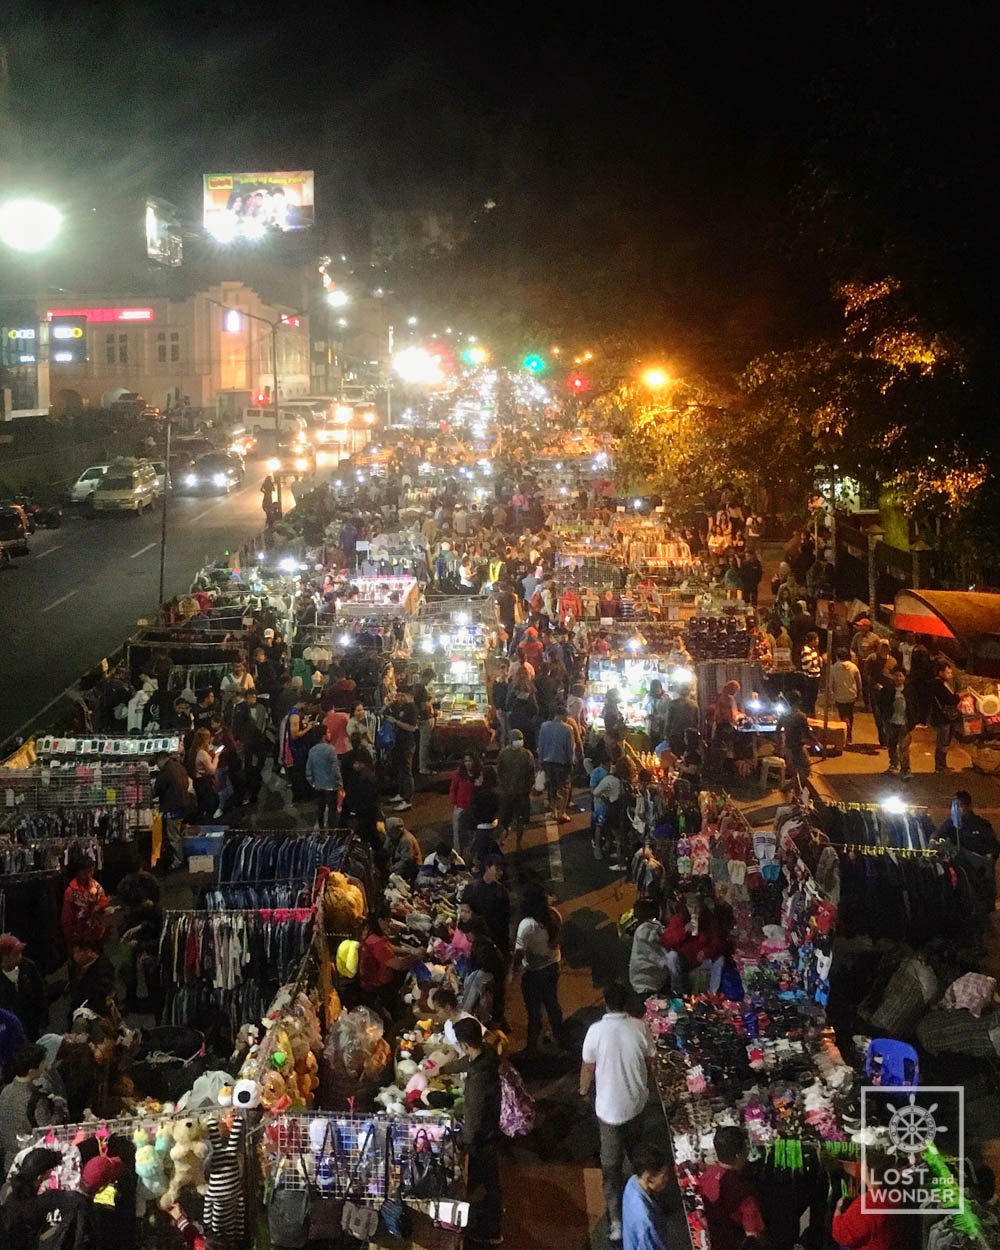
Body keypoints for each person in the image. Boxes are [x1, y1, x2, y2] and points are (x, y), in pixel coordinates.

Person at [580, 983, 653, 1244]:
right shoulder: (640, 1027)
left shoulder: (595, 1032)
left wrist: (582, 1092)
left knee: (610, 1170)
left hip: (608, 1112)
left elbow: (588, 1067)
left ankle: (616, 1222)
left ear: (605, 1003)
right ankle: (645, 1202)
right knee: (637, 1156)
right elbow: (648, 1060)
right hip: (636, 1106)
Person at [452, 1017, 503, 1248]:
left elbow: (473, 1117)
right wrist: (443, 1069)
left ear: (464, 1045)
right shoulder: (487, 1054)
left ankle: (489, 1231)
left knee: (483, 1184)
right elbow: (467, 1062)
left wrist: (462, 1142)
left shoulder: (478, 1081)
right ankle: (490, 1222)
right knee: (489, 1183)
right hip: (490, 1131)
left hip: (482, 1139)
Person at [513, 881, 563, 1057]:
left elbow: (519, 953)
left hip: (534, 972)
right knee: (552, 1003)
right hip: (552, 966)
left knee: (534, 1010)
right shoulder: (553, 915)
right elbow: (556, 941)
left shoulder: (527, 925)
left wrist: (514, 972)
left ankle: (532, 1046)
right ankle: (559, 1036)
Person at [698, 1126, 765, 1250]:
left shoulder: (706, 1176)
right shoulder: (743, 1192)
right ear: (739, 1155)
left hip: (714, 1241)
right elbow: (752, 1235)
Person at [0, 1045, 52, 1174]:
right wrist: (59, 1110)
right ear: (31, 1070)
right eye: (41, 1063)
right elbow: (47, 1129)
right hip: (31, 1162)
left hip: (9, 1160)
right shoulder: (35, 1099)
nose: (44, 1066)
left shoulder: (5, 1092)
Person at [359, 913, 420, 1012]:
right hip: (377, 987)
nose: (390, 924)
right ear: (380, 921)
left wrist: (411, 951)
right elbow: (399, 965)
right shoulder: (376, 943)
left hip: (378, 981)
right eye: (387, 921)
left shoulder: (374, 937)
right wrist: (417, 957)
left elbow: (391, 948)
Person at [621, 1139, 672, 1250]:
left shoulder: (632, 1182)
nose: (667, 1179)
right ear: (649, 1178)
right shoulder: (645, 1220)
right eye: (664, 1176)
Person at [628, 900, 681, 1001]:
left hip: (648, 982)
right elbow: (658, 957)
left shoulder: (648, 929)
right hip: (646, 984)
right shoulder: (645, 931)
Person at [0, 937, 46, 1042]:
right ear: (5, 957)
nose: (20, 957)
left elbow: (40, 992)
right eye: (16, 954)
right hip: (8, 1029)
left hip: (31, 1022)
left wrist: (43, 1018)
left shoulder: (28, 966)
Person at [496, 728, 535, 849]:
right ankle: (516, 842)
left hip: (511, 793)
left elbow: (499, 772)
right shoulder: (526, 754)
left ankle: (505, 840)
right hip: (519, 794)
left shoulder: (504, 754)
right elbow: (531, 774)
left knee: (507, 819)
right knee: (518, 820)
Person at [60, 856, 110, 950]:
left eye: (91, 871)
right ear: (78, 872)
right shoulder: (71, 892)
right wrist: (71, 938)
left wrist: (100, 906)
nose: (88, 875)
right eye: (85, 872)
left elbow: (103, 900)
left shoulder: (96, 885)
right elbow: (67, 917)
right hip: (79, 936)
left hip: (97, 932)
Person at [383, 687, 418, 810]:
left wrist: (396, 722)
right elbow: (385, 713)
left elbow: (412, 728)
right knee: (399, 769)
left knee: (406, 771)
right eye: (399, 695)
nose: (400, 698)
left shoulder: (412, 709)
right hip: (397, 743)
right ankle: (401, 794)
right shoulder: (399, 706)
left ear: (410, 696)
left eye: (403, 695)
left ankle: (407, 799)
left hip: (407, 744)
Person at [538, 706, 574, 823]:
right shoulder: (568, 729)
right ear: (563, 715)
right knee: (564, 788)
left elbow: (541, 745)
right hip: (562, 762)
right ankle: (562, 812)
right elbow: (569, 749)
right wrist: (570, 762)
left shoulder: (544, 726)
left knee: (551, 787)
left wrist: (540, 760)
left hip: (548, 762)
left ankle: (553, 811)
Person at [305, 730, 345, 830]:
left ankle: (321, 829)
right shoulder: (330, 749)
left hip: (318, 785)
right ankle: (331, 831)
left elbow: (308, 769)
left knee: (320, 808)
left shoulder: (312, 750)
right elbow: (335, 768)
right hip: (331, 786)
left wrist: (313, 783)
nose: (329, 734)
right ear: (323, 736)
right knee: (332, 810)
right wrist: (339, 782)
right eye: (328, 732)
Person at [776, 690, 816, 782]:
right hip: (798, 748)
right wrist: (817, 742)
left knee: (795, 772)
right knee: (805, 771)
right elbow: (807, 732)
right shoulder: (800, 716)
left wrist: (780, 743)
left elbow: (778, 730)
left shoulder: (784, 715)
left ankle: (792, 790)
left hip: (788, 747)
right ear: (798, 701)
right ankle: (787, 789)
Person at [930, 659, 961, 772]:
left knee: (945, 741)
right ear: (940, 673)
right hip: (942, 717)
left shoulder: (943, 683)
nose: (950, 675)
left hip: (944, 717)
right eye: (948, 672)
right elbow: (949, 699)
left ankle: (942, 765)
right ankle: (940, 766)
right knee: (942, 741)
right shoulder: (938, 684)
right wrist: (958, 697)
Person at [449, 751, 483, 851]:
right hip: (461, 807)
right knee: (457, 832)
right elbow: (453, 789)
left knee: (474, 831)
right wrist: (455, 802)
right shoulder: (459, 774)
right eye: (466, 761)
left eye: (470, 761)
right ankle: (458, 853)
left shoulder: (479, 774)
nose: (467, 763)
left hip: (474, 808)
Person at [830, 647, 863, 744]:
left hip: (839, 696)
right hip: (851, 695)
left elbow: (831, 683)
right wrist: (859, 692)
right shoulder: (853, 667)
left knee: (843, 716)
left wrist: (832, 693)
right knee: (850, 715)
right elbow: (858, 681)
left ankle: (844, 735)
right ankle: (849, 736)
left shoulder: (834, 668)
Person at [412, 665, 438, 775]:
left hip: (422, 718)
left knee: (424, 744)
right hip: (424, 719)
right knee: (424, 744)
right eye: (430, 679)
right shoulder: (421, 689)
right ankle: (423, 767)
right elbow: (423, 706)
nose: (430, 682)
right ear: (427, 677)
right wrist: (431, 700)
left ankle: (424, 764)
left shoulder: (416, 687)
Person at [385, 816, 421, 880]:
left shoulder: (406, 840)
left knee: (393, 877)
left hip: (412, 867)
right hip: (398, 864)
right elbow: (385, 850)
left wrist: (392, 868)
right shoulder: (392, 836)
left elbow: (406, 860)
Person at [799, 630, 823, 716]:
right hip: (810, 678)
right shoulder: (806, 650)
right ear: (812, 640)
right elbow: (807, 665)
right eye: (816, 640)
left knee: (814, 697)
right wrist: (818, 660)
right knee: (810, 697)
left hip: (815, 676)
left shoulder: (813, 650)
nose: (817, 641)